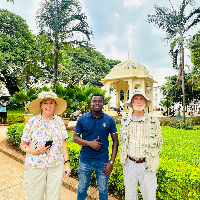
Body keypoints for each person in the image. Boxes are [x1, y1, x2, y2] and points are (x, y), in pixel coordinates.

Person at [20, 91, 71, 200]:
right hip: (35, 166)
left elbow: (63, 144)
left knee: (53, 197)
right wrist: (34, 151)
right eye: (45, 103)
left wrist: (67, 164)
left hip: (56, 166)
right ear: (40, 106)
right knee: (34, 197)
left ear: (55, 105)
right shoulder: (32, 122)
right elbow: (23, 145)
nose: (48, 106)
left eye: (51, 103)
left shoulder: (59, 121)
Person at [73, 93, 118, 200]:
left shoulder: (109, 120)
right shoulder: (82, 119)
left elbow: (115, 141)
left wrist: (111, 163)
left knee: (103, 189)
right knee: (82, 188)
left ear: (103, 103)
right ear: (91, 103)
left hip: (102, 161)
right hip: (85, 160)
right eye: (94, 101)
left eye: (100, 101)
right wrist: (90, 143)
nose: (97, 103)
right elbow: (75, 137)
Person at [120, 89, 163, 200]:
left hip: (147, 164)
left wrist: (151, 157)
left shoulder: (153, 120)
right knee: (130, 196)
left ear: (145, 102)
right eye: (136, 99)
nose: (139, 102)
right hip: (129, 164)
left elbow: (159, 142)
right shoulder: (125, 120)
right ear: (132, 102)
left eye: (141, 99)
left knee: (149, 196)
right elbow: (123, 142)